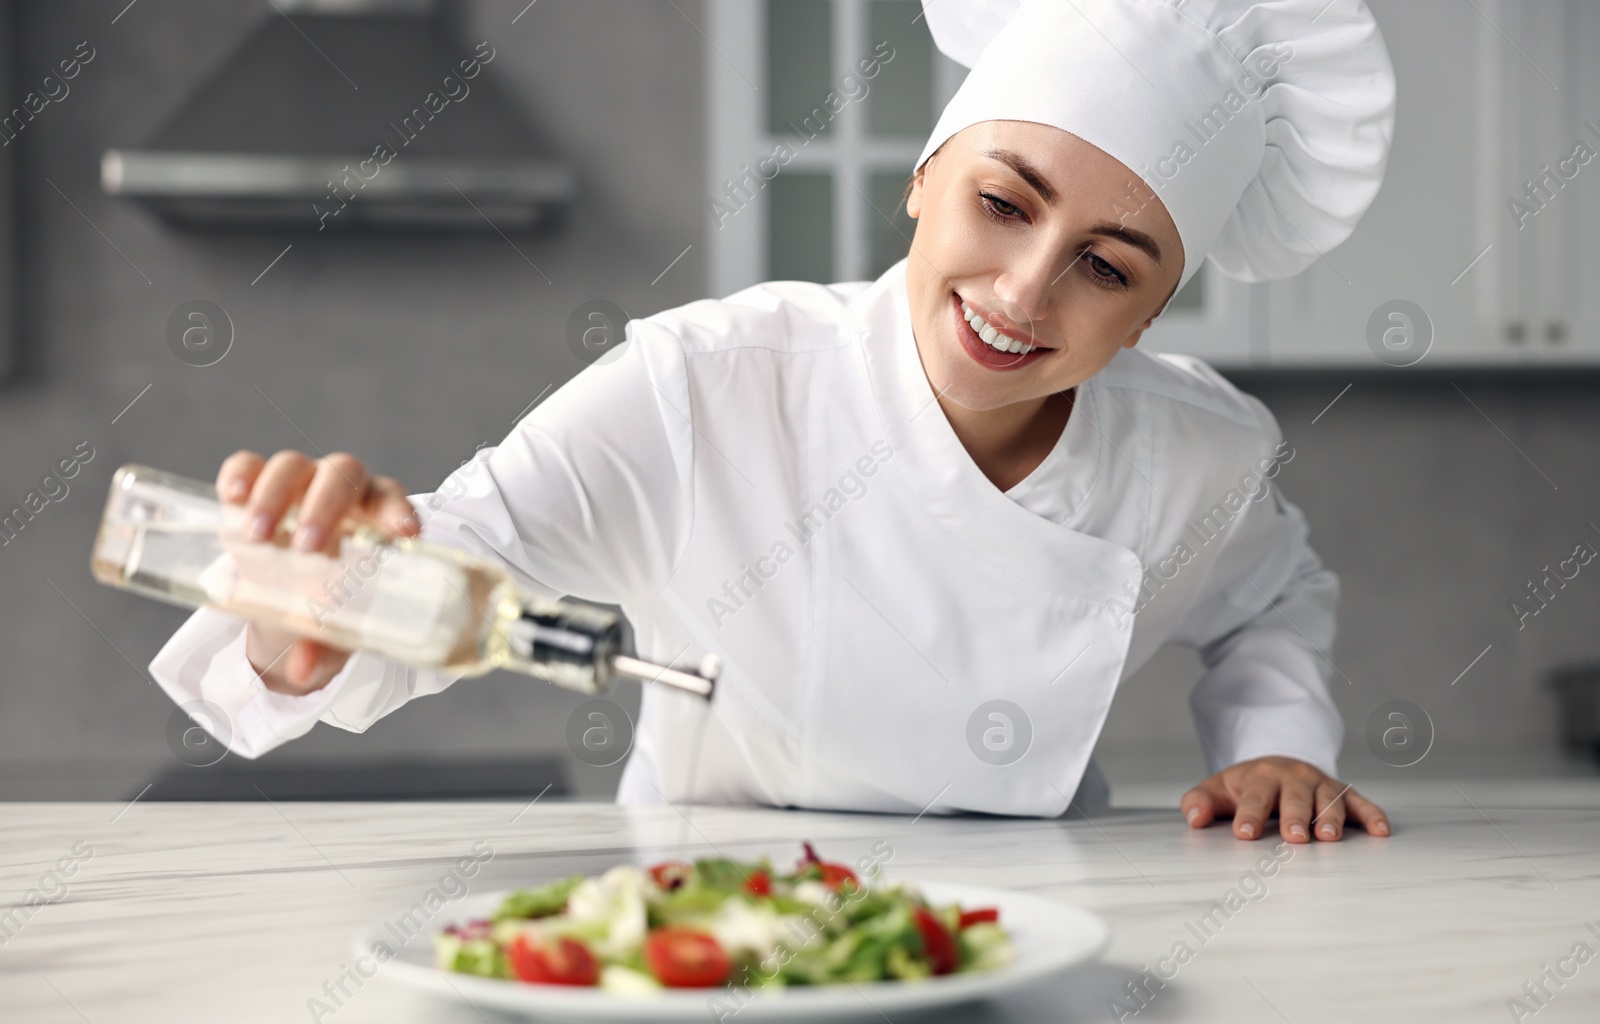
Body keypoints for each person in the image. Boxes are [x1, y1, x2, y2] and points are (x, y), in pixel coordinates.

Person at [151, 0, 1397, 843]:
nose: (1025, 292)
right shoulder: (707, 383)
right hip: (712, 916)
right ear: (924, 176)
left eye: (1108, 267)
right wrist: (317, 614)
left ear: (1150, 315)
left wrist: (1278, 740)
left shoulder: (1197, 456)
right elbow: (463, 552)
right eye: (1003, 203)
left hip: (1045, 923)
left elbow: (1271, 596)